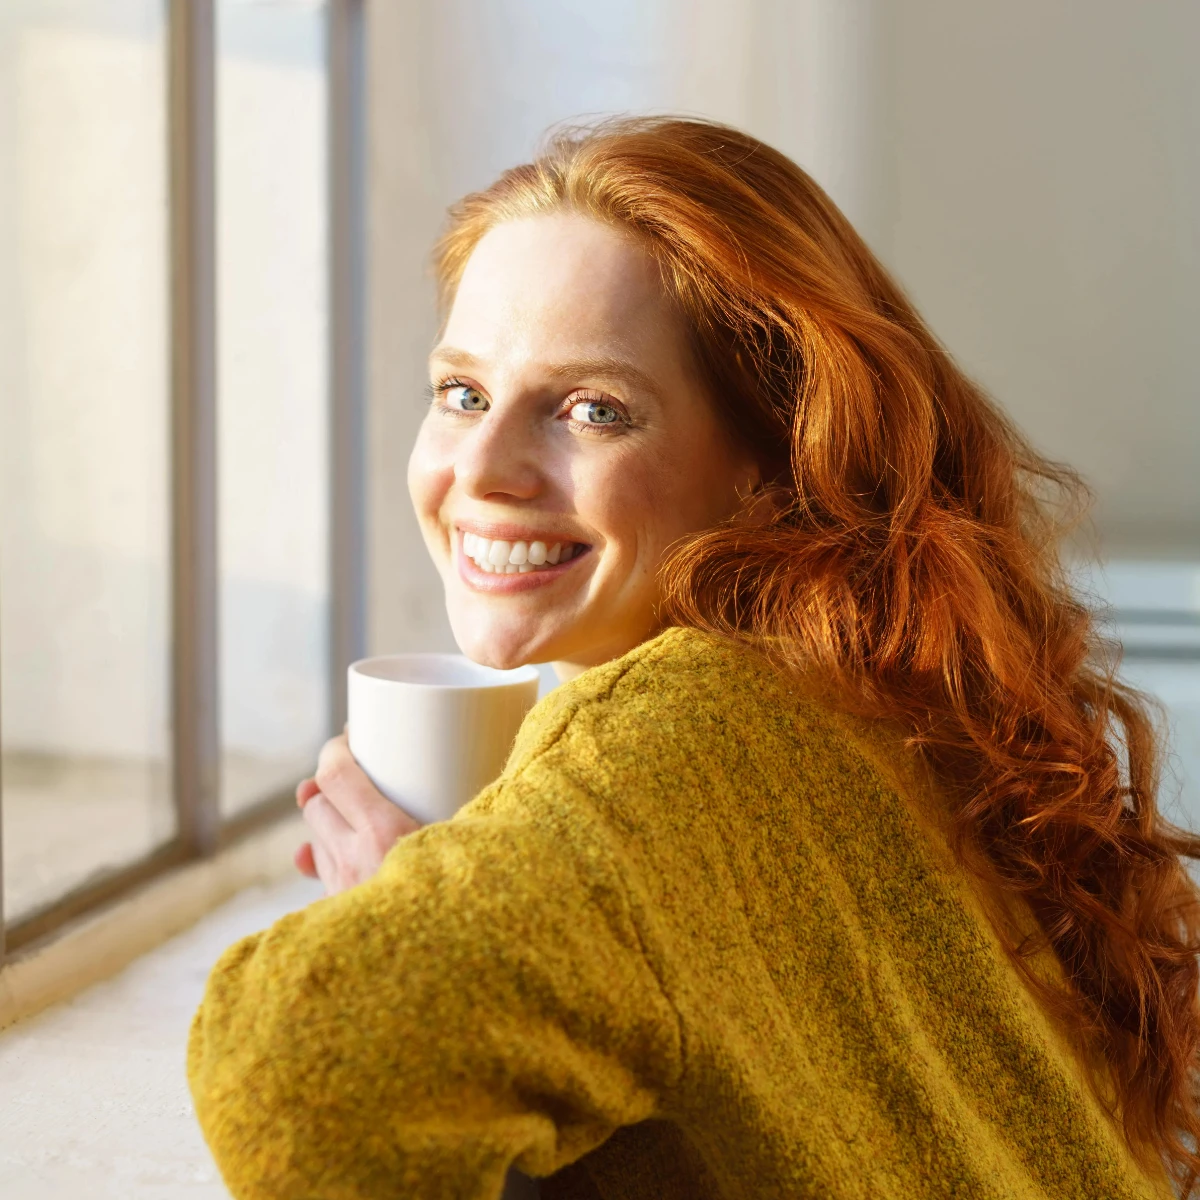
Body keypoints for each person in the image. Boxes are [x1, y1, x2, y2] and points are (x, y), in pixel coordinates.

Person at [187, 116, 1200, 1199]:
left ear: (774, 461)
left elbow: (296, 1080)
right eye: (463, 393)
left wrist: (414, 905)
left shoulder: (684, 723)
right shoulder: (861, 696)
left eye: (593, 410)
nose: (482, 469)